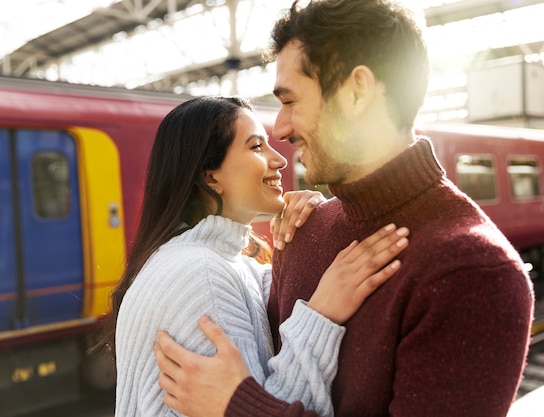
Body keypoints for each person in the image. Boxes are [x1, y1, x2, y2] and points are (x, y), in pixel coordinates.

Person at [153, 1, 535, 417]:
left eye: (291, 101)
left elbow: (255, 393)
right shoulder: (304, 229)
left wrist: (238, 407)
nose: (280, 128)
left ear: (357, 91)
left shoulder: (472, 271)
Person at [102, 95, 410, 416]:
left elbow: (281, 301)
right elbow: (255, 405)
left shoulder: (228, 264)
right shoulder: (201, 272)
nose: (280, 161)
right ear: (210, 177)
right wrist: (322, 314)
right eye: (256, 147)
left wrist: (319, 219)